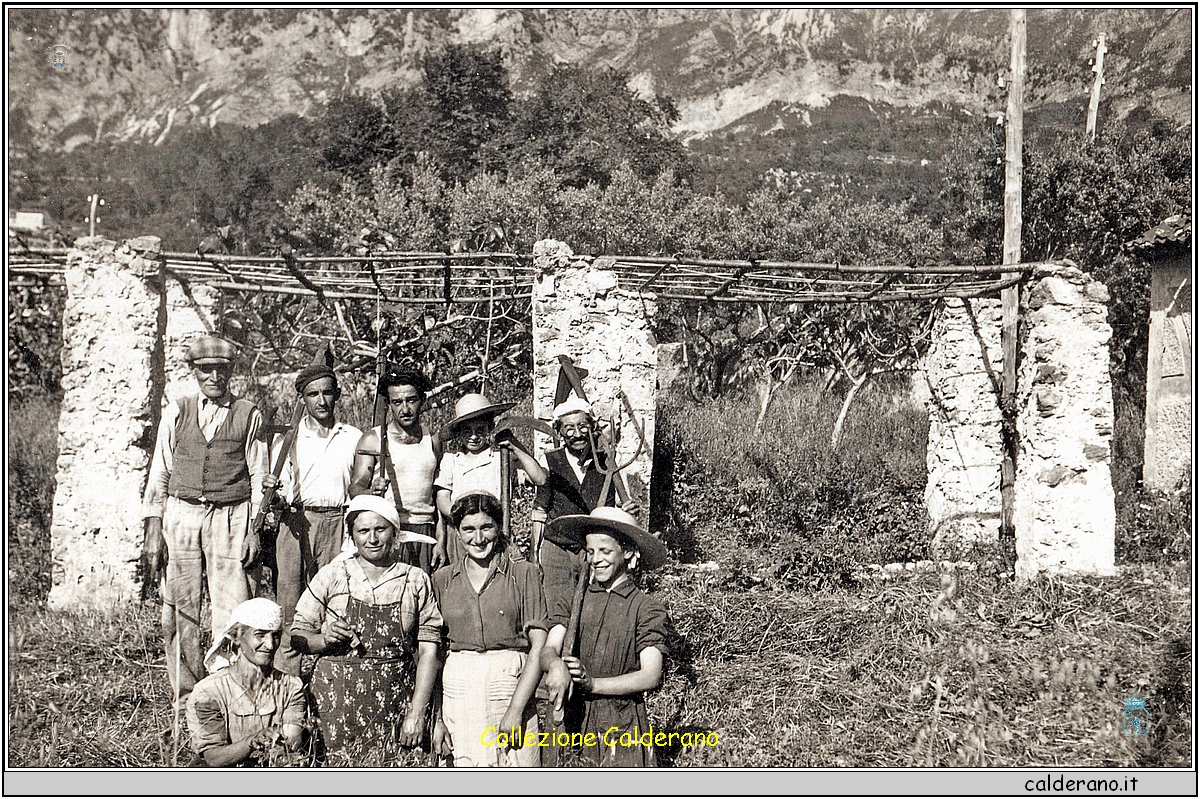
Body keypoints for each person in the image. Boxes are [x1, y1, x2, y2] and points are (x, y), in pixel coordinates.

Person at [141, 335, 268, 714]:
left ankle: (230, 694)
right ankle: (187, 698)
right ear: (194, 372)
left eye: (221, 369)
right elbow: (160, 471)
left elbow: (261, 477)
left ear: (231, 372)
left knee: (234, 610)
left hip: (231, 516)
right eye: (205, 369)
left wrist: (255, 530)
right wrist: (153, 528)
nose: (213, 376)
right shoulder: (177, 412)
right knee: (180, 610)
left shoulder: (248, 414)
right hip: (181, 515)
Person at [289, 494, 442, 761]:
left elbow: (429, 652)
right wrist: (323, 640)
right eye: (363, 530)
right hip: (333, 703)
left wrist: (417, 712)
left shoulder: (415, 579)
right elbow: (297, 635)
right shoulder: (332, 574)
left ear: (394, 533)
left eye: (380, 529)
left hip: (394, 701)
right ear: (352, 536)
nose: (372, 539)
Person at [540, 506, 671, 768]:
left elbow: (650, 674)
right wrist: (555, 665)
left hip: (621, 724)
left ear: (628, 553)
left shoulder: (645, 608)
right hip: (572, 719)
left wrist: (592, 684)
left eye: (605, 551)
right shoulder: (573, 601)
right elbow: (549, 648)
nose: (595, 559)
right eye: (590, 551)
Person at [431, 491, 548, 767]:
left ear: (499, 527)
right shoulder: (442, 579)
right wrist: (437, 719)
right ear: (457, 533)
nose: (478, 538)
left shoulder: (524, 574)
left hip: (510, 684)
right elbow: (433, 653)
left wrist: (516, 708)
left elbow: (539, 645)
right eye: (468, 529)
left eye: (486, 527)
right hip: (459, 689)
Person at [261, 363, 361, 675]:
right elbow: (280, 493)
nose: (321, 400)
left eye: (327, 393)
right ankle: (287, 679)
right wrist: (271, 493)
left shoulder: (354, 437)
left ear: (338, 395)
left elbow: (360, 483)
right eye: (313, 394)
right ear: (303, 399)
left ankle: (330, 674)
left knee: (337, 600)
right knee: (290, 602)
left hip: (339, 523)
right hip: (296, 522)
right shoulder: (290, 440)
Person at [532, 396, 636, 614]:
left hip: (597, 549)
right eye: (569, 428)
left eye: (582, 426)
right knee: (557, 608)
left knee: (595, 608)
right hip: (557, 547)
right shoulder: (549, 461)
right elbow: (540, 509)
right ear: (559, 432)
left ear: (592, 427)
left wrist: (626, 512)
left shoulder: (609, 461)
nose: (577, 434)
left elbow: (620, 506)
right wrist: (535, 551)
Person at [186, 598, 308, 767]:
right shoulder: (209, 693)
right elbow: (213, 757)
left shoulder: (290, 687)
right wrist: (252, 742)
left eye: (276, 636)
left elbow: (292, 744)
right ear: (237, 636)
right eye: (260, 635)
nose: (270, 644)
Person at [434, 393, 547, 565]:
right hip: (461, 530)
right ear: (459, 433)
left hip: (494, 529)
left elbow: (539, 479)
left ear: (489, 428)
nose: (473, 436)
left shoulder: (500, 457)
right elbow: (442, 498)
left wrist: (515, 446)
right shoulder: (452, 459)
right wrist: (462, 518)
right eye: (467, 431)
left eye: (480, 430)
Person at [349, 368, 441, 572]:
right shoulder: (373, 440)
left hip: (425, 528)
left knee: (422, 591)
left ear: (423, 400)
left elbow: (439, 493)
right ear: (389, 404)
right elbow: (355, 488)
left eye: (411, 400)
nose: (405, 409)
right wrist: (372, 492)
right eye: (397, 402)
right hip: (388, 527)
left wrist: (440, 538)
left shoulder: (432, 441)